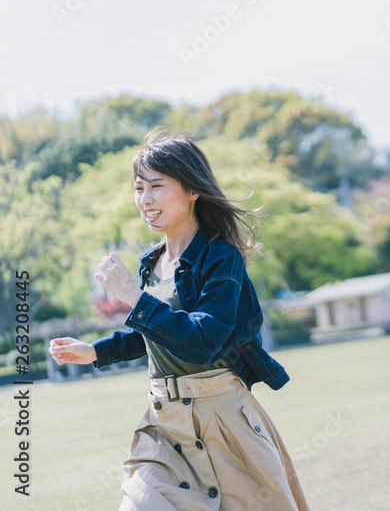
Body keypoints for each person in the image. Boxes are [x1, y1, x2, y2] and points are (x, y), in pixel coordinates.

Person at [48, 128, 310, 510]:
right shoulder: (151, 262)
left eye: (157, 186)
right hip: (163, 427)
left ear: (192, 190)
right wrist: (94, 351)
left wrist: (135, 298)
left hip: (224, 420)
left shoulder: (220, 258)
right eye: (139, 188)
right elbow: (157, 333)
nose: (145, 198)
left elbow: (202, 341)